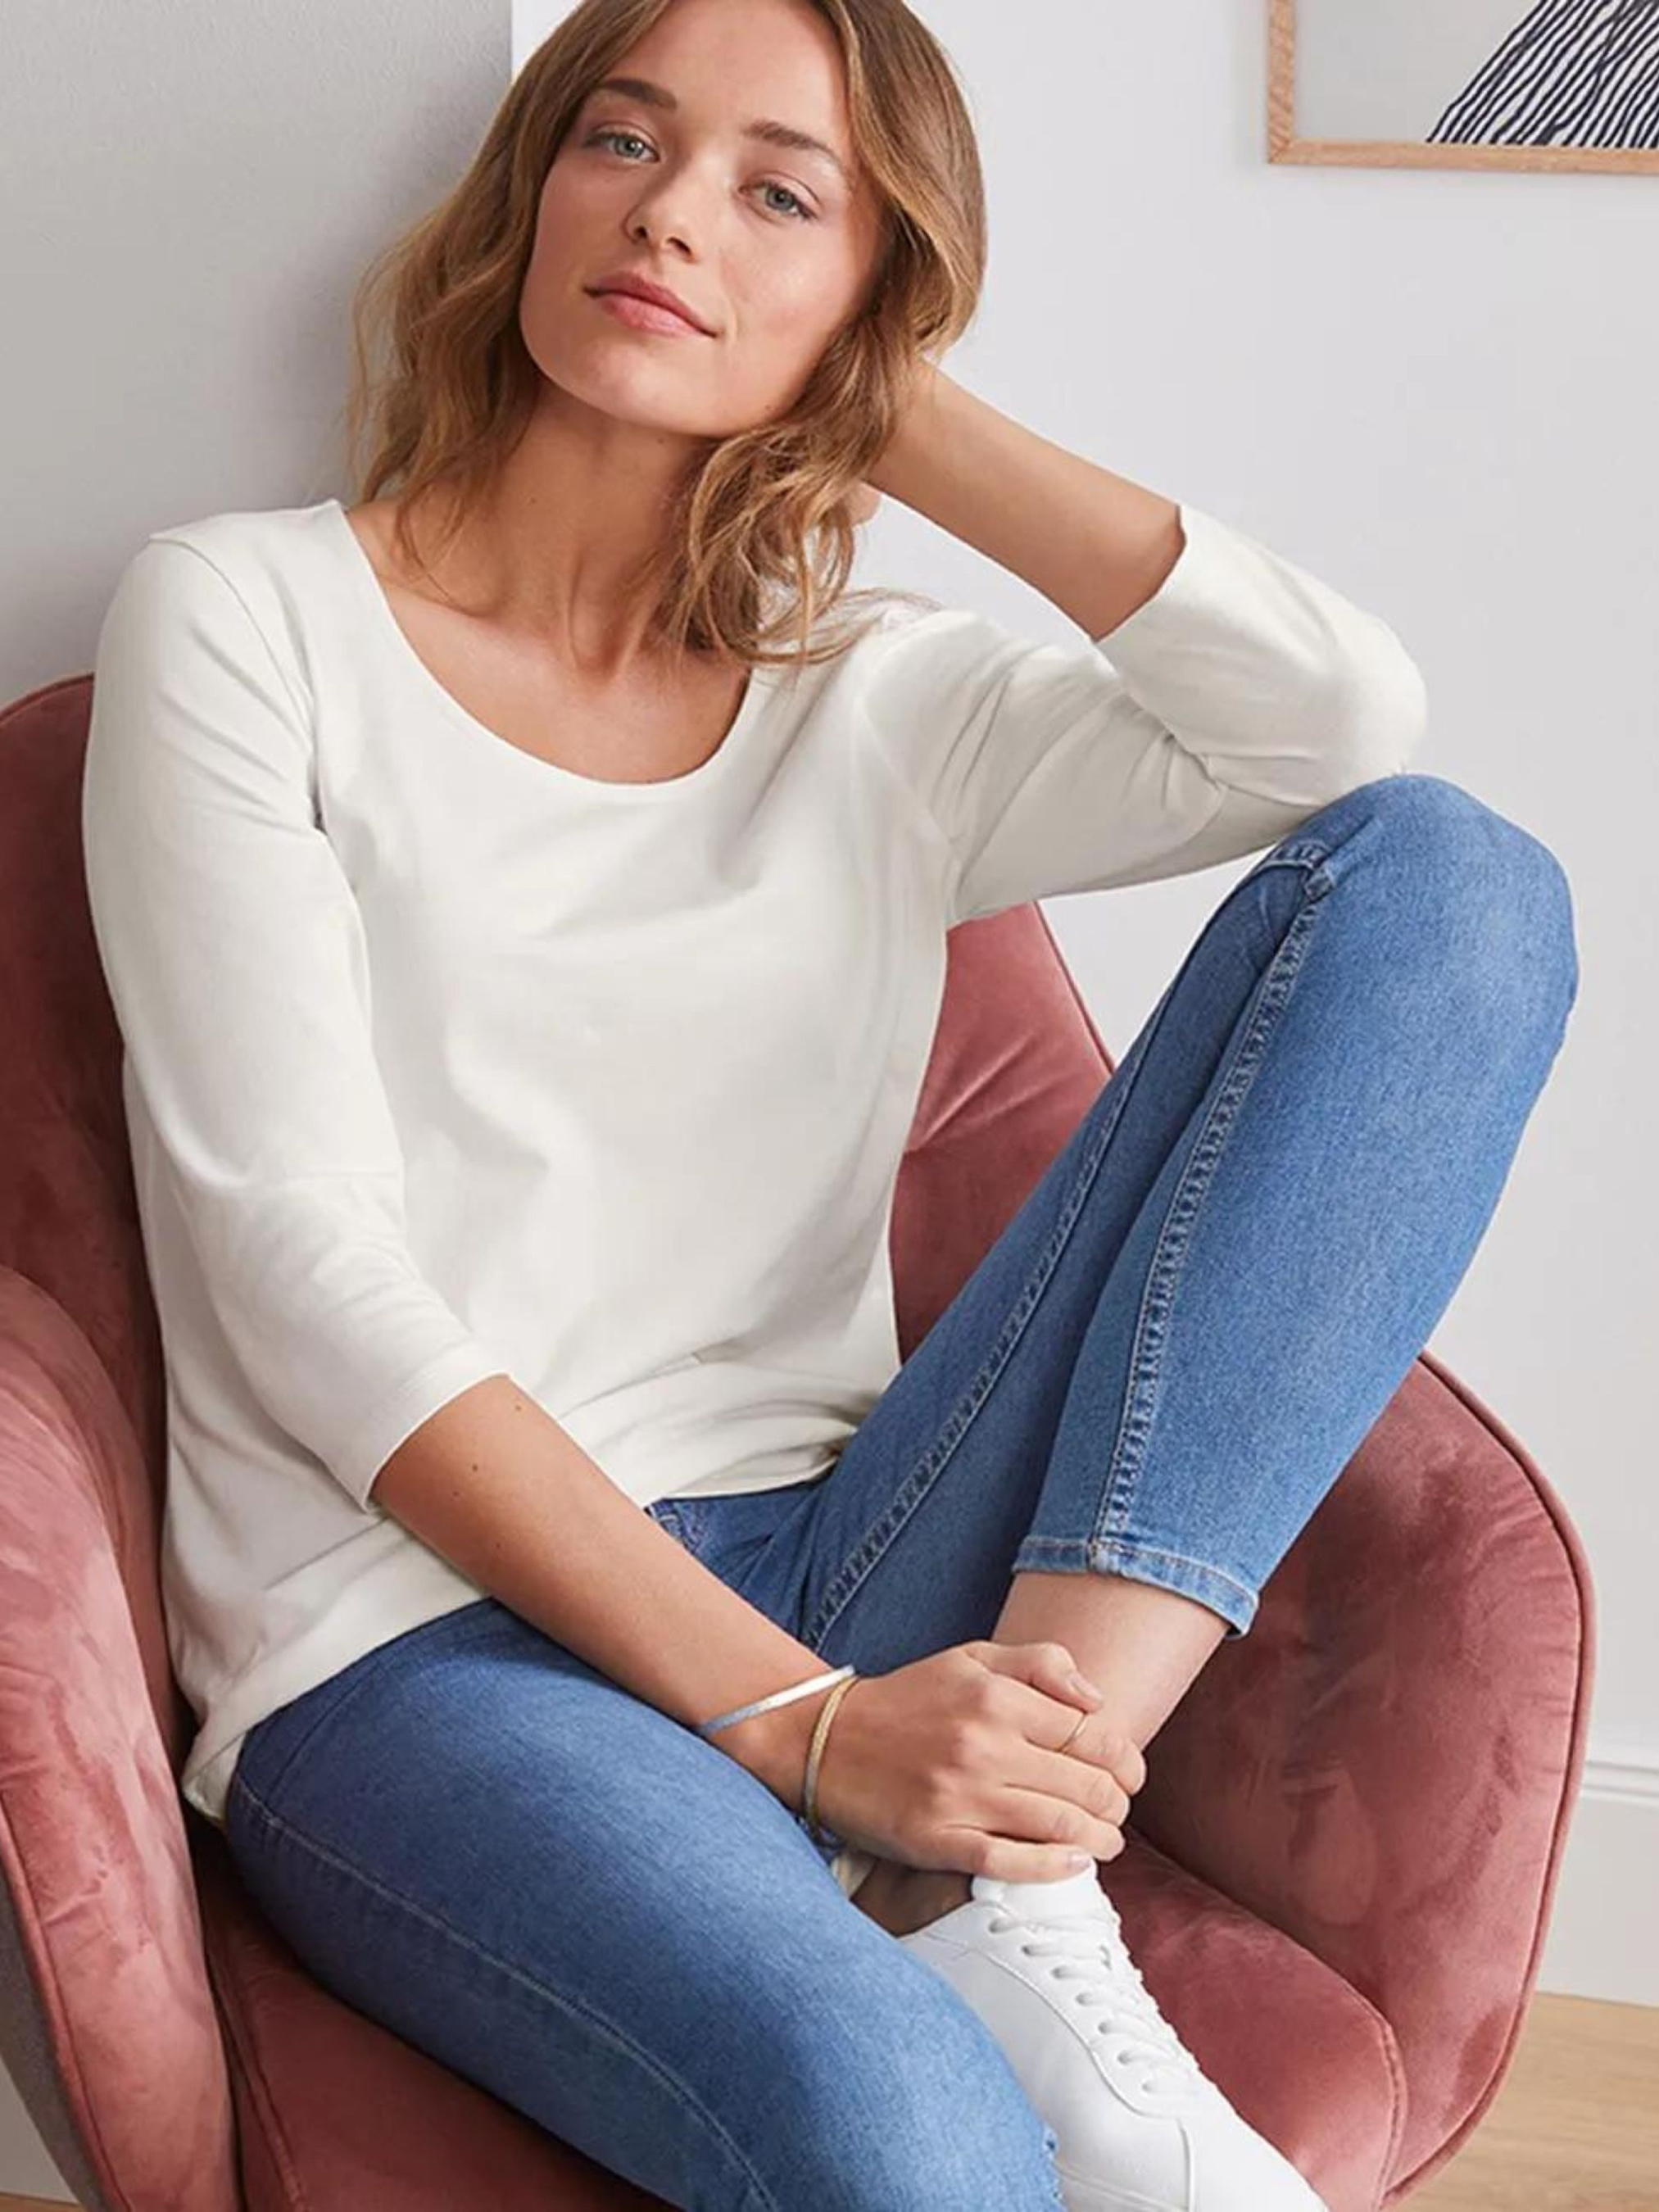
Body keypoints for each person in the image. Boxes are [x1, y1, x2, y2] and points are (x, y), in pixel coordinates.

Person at [80, 0, 1579, 2205]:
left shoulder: (879, 701)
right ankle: (964, 1886)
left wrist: (891, 409)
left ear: (872, 301)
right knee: (900, 2121)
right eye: (621, 140)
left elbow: (1334, 725)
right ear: (531, 190)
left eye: (778, 191)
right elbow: (298, 1270)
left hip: (845, 1541)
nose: (669, 215)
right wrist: (809, 1727)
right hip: (423, 1644)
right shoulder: (248, 617)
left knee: (1451, 879)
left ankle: (1018, 1873)